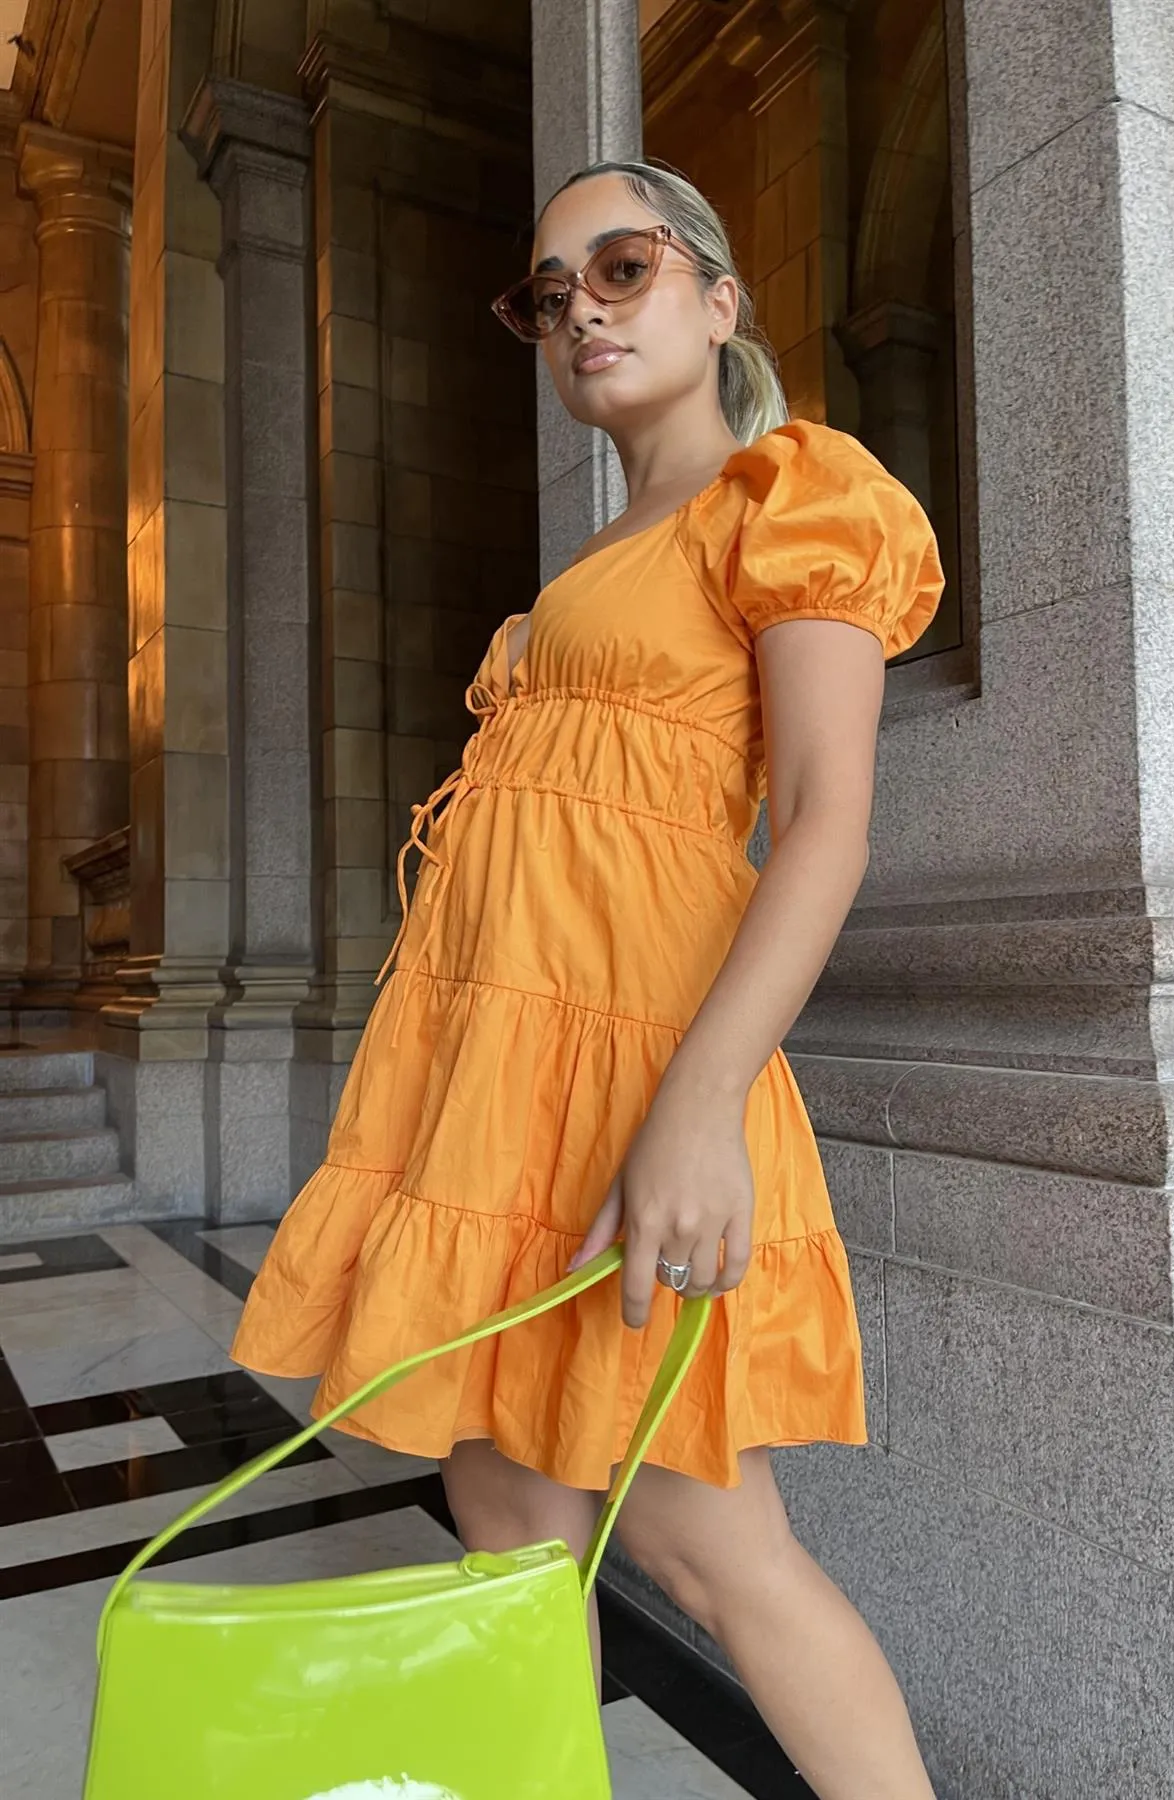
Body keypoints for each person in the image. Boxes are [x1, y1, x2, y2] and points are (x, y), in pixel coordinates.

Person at [232, 158, 943, 1800]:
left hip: (640, 1085)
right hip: (496, 1101)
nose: (580, 313)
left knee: (704, 1541)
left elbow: (826, 830)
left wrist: (694, 1110)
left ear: (715, 293)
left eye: (618, 268)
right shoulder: (584, 572)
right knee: (507, 1523)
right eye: (547, 295)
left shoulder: (787, 496)